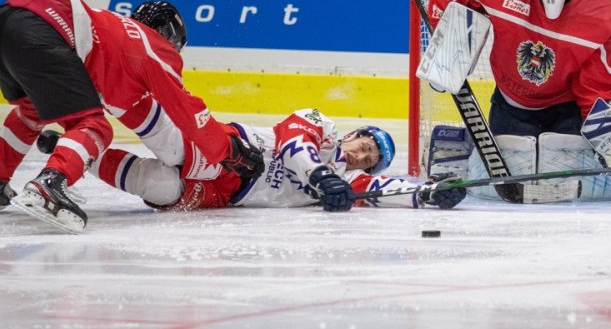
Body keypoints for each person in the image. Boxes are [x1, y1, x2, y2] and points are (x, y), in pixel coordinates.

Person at [0, 0, 264, 232]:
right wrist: (229, 150)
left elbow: (144, 116)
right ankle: (49, 184)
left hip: (11, 19)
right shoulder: (154, 48)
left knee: (31, 111)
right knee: (94, 127)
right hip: (43, 26)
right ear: (169, 37)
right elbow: (187, 111)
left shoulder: (114, 41)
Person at [424, 0, 611, 202]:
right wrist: (446, 44)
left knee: (566, 181)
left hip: (566, 109)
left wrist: (608, 131)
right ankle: (457, 150)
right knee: (506, 174)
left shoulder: (601, 13)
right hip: (510, 103)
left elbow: (602, 83)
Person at [38, 108, 467, 212]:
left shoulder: (349, 182)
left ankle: (80, 155)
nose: (361, 158)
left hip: (228, 196)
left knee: (161, 187)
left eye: (369, 160)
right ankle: (113, 98)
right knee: (175, 148)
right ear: (355, 134)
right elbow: (292, 146)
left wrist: (429, 193)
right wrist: (321, 176)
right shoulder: (322, 124)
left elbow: (386, 190)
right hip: (233, 153)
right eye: (366, 146)